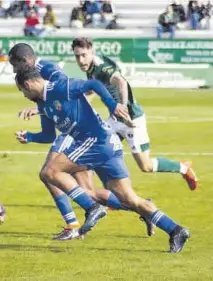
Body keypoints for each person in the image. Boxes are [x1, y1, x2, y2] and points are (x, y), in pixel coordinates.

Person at [15, 63, 190, 253]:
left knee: (50, 171)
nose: (23, 95)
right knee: (130, 199)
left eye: (22, 90)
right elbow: (48, 135)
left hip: (96, 141)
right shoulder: (43, 104)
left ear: (29, 84)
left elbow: (94, 85)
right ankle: (176, 230)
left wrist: (113, 105)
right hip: (103, 146)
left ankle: (92, 208)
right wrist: (30, 137)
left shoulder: (60, 86)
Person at [9, 43, 154, 240]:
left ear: (24, 61)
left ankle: (73, 225)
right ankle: (143, 207)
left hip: (72, 127)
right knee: (88, 191)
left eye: (14, 65)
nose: (14, 71)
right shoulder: (36, 72)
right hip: (70, 126)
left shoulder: (46, 68)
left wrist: (43, 109)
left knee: (49, 173)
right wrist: (41, 110)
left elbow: (59, 93)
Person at [71, 37, 198, 191]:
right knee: (97, 153)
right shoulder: (91, 68)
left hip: (131, 119)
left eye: (84, 55)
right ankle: (114, 197)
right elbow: (92, 90)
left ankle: (183, 168)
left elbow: (121, 82)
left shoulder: (101, 67)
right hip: (115, 120)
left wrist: (124, 108)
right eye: (77, 56)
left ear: (91, 51)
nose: (81, 60)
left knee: (146, 166)